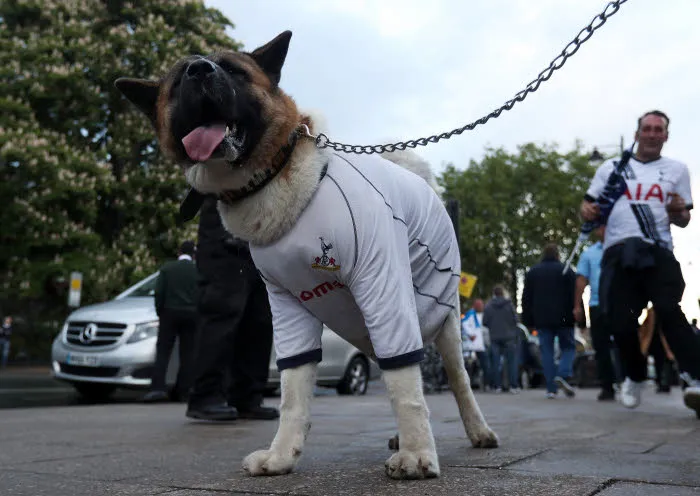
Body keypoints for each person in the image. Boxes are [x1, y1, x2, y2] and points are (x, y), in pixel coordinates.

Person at [580, 110, 700, 414]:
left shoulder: (677, 170)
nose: (652, 134)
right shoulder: (611, 168)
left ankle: (696, 377)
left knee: (670, 311)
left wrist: (678, 210)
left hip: (657, 250)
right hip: (619, 251)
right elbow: (588, 205)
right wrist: (587, 212)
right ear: (637, 134)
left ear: (666, 136)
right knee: (618, 322)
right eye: (647, 128)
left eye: (658, 129)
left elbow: (684, 218)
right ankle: (634, 376)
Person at [185, 196, 278, 421]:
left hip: (257, 239)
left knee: (259, 321)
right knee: (222, 315)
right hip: (223, 239)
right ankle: (205, 396)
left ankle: (247, 396)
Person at [143, 241, 199, 402]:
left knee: (163, 351)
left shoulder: (168, 268)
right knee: (188, 353)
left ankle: (158, 388)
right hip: (192, 314)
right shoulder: (198, 270)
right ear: (194, 254)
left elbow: (159, 292)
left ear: (179, 252)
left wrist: (160, 311)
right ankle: (183, 390)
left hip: (170, 312)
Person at [522, 243, 577, 399]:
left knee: (547, 352)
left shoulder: (533, 272)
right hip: (565, 317)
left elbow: (526, 298)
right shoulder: (566, 270)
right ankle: (563, 373)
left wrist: (528, 320)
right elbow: (575, 294)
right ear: (558, 255)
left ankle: (551, 389)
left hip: (542, 318)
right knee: (569, 347)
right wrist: (580, 317)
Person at [574, 226, 618, 401]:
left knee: (624, 341)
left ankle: (630, 378)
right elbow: (581, 280)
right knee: (601, 346)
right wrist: (577, 306)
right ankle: (608, 385)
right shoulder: (589, 254)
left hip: (620, 302)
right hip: (597, 304)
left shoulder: (621, 249)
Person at [483, 286, 520, 393]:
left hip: (494, 337)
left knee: (495, 362)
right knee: (511, 362)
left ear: (494, 294)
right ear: (503, 293)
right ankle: (513, 386)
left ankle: (497, 386)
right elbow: (516, 320)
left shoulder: (489, 306)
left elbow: (485, 322)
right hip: (509, 337)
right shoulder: (509, 305)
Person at [638, 307, 675, 393]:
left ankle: (663, 383)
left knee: (662, 363)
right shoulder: (653, 311)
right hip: (655, 342)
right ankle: (662, 382)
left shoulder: (657, 310)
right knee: (660, 363)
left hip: (660, 342)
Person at [461, 299, 492, 391]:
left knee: (484, 364)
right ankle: (468, 385)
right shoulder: (470, 314)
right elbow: (464, 323)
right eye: (480, 305)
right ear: (475, 305)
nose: (482, 307)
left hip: (478, 345)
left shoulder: (479, 315)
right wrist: (471, 334)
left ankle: (486, 384)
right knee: (471, 366)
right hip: (472, 345)